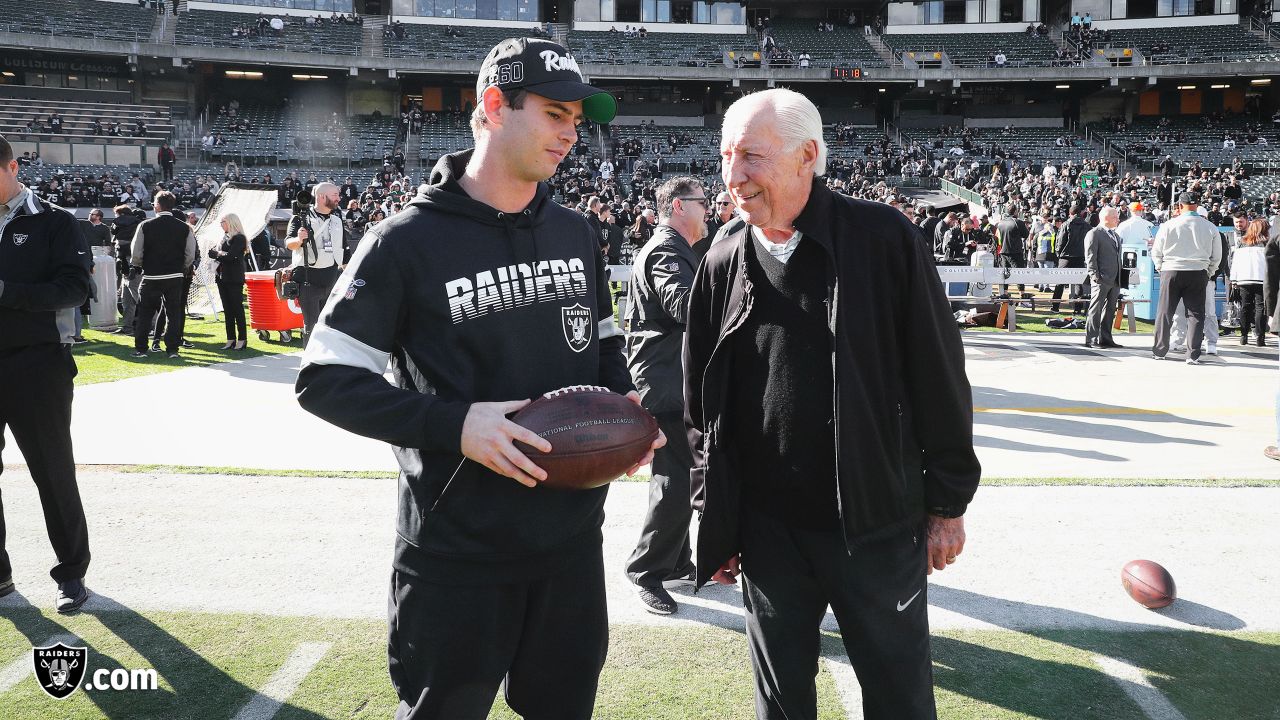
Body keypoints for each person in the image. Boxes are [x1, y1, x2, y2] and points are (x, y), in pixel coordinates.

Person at [294, 37, 661, 720]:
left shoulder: (577, 233)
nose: (571, 134)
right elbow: (323, 377)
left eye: (578, 120)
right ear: (494, 107)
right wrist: (455, 426)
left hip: (571, 543)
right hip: (456, 551)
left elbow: (604, 346)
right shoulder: (404, 240)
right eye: (555, 114)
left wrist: (625, 409)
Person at [684, 89, 979, 720]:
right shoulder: (721, 257)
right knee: (782, 702)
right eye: (726, 157)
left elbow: (940, 377)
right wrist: (717, 510)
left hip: (873, 523)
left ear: (807, 157)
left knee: (898, 694)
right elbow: (702, 406)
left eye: (751, 157)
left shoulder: (883, 240)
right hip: (767, 532)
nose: (734, 176)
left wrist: (947, 504)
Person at [0, 133, 94, 613]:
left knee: (52, 472)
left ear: (11, 168)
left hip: (38, 362)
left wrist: (4, 292)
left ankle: (72, 573)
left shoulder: (54, 222)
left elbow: (76, 289)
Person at [622, 176, 706, 615]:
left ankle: (675, 561)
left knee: (686, 472)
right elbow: (684, 305)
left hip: (669, 377)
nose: (708, 208)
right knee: (675, 480)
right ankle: (646, 570)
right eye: (701, 201)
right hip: (665, 380)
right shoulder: (666, 249)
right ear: (678, 206)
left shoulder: (675, 248)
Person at [1151, 193, 1222, 364]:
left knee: (1165, 312)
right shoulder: (1210, 227)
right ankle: (1193, 354)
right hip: (1198, 271)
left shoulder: (1168, 225)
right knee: (1196, 314)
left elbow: (1156, 251)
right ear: (1197, 205)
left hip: (1171, 270)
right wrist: (1208, 271)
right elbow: (1217, 256)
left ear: (1179, 206)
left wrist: (1161, 267)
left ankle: (1160, 350)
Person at [129, 191, 196, 360]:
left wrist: (137, 265)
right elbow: (190, 253)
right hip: (174, 276)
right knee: (174, 313)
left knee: (145, 313)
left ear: (157, 205)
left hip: (151, 275)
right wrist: (184, 267)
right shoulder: (185, 227)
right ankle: (172, 349)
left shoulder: (145, 225)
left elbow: (136, 251)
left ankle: (141, 349)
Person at [285, 182, 351, 341]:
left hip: (331, 282)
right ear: (322, 197)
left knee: (329, 326)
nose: (338, 198)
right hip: (308, 282)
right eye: (335, 195)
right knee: (312, 326)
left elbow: (344, 250)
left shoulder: (337, 220)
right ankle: (309, 363)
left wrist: (349, 280)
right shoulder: (301, 218)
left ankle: (325, 362)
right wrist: (299, 239)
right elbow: (289, 244)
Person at [1084, 206, 1124, 349]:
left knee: (1110, 309)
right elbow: (1090, 256)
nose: (1118, 219)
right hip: (1101, 278)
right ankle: (1092, 339)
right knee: (1096, 309)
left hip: (1115, 279)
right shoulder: (1094, 233)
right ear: (1106, 217)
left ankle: (1106, 338)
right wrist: (1095, 276)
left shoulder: (1115, 235)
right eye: (1115, 217)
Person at [209, 213, 249, 350]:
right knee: (227, 310)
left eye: (223, 221)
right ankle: (230, 338)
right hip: (221, 277)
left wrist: (218, 254)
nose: (221, 224)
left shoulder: (239, 238)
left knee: (237, 308)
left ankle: (242, 339)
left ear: (231, 222)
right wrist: (219, 254)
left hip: (234, 278)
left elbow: (231, 257)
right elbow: (218, 254)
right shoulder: (224, 238)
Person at [1231, 218, 1270, 347]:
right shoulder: (1267, 243)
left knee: (1245, 307)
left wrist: (1234, 279)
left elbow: (1235, 261)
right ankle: (1260, 337)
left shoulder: (1242, 242)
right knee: (1261, 307)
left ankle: (1243, 336)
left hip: (1243, 278)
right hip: (1261, 279)